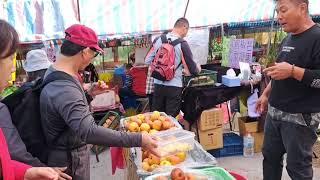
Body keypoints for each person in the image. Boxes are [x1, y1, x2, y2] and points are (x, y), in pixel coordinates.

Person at [39, 24, 158, 180]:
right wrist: (138, 139)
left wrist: (88, 94)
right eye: (93, 54)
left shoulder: (54, 71)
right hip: (69, 162)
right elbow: (89, 131)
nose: (91, 61)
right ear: (85, 51)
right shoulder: (65, 88)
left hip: (65, 153)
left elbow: (65, 113)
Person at [256, 0, 320, 179]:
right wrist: (266, 94)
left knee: (297, 167)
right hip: (275, 113)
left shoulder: (317, 37)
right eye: (277, 12)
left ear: (302, 7)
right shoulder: (288, 38)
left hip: (300, 117)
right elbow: (279, 71)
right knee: (270, 159)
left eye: (283, 10)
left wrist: (292, 71)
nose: (279, 17)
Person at [0, 19, 60, 180]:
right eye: (10, 58)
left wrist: (26, 172)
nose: (13, 68)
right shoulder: (30, 96)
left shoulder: (19, 96)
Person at [145, 18, 200, 117]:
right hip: (174, 87)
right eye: (187, 30)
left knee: (157, 118)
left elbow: (147, 60)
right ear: (184, 28)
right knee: (171, 119)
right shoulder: (182, 44)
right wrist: (196, 69)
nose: (186, 34)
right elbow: (193, 70)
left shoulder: (158, 40)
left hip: (158, 85)